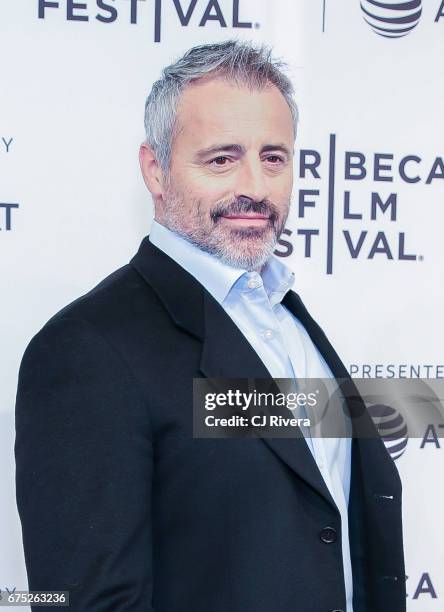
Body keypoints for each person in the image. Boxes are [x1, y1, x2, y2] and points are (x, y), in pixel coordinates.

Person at [15, 40, 405, 612]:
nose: (256, 185)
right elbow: (87, 601)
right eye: (222, 158)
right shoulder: (86, 351)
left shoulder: (283, 315)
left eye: (273, 157)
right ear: (155, 169)